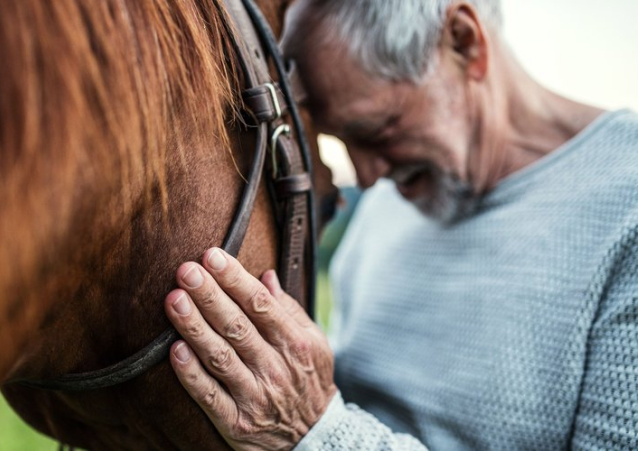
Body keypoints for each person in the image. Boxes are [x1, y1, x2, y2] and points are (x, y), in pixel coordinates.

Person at [162, 0, 638, 449]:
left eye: (376, 131)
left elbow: (324, 422)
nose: (368, 179)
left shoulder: (625, 209)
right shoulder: (391, 203)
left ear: (463, 42)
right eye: (340, 141)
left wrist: (314, 433)